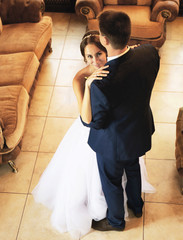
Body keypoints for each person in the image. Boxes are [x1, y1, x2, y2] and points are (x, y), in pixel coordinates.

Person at [32, 30, 156, 239]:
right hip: (100, 136)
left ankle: (135, 205)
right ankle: (120, 212)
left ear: (106, 49)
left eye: (99, 54)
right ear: (84, 59)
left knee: (131, 169)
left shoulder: (119, 67)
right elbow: (86, 119)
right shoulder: (80, 79)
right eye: (89, 56)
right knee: (107, 178)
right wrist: (89, 86)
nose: (95, 60)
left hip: (123, 133)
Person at [81, 11, 160, 232]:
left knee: (112, 181)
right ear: (128, 33)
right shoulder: (149, 53)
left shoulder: (101, 83)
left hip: (113, 144)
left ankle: (115, 222)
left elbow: (94, 123)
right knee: (133, 167)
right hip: (139, 130)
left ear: (104, 41)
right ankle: (136, 205)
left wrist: (88, 87)